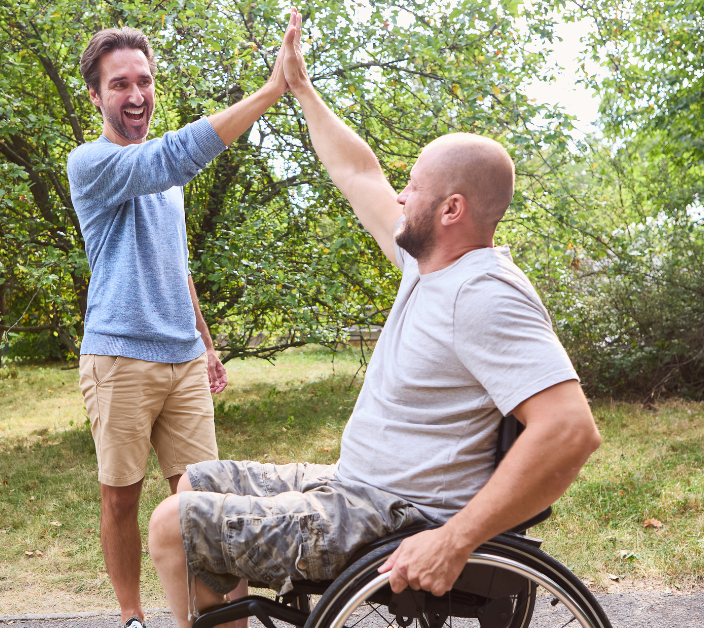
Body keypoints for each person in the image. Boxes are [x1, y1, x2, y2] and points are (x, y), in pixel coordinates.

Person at [147, 9, 603, 627]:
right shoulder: (427, 263)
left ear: (452, 209)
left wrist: (456, 539)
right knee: (193, 483)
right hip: (355, 485)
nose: (399, 196)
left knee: (172, 526)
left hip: (392, 513)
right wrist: (303, 91)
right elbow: (357, 170)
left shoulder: (486, 294)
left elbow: (571, 430)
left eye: (412, 187)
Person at [65, 19, 295, 628]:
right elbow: (171, 157)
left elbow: (177, 264)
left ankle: (217, 620)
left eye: (144, 81)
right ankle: (131, 615)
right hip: (118, 356)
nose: (136, 95)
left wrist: (207, 344)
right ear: (96, 95)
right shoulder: (90, 163)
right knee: (121, 499)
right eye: (120, 85)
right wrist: (272, 90)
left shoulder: (168, 186)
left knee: (203, 504)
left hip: (183, 358)